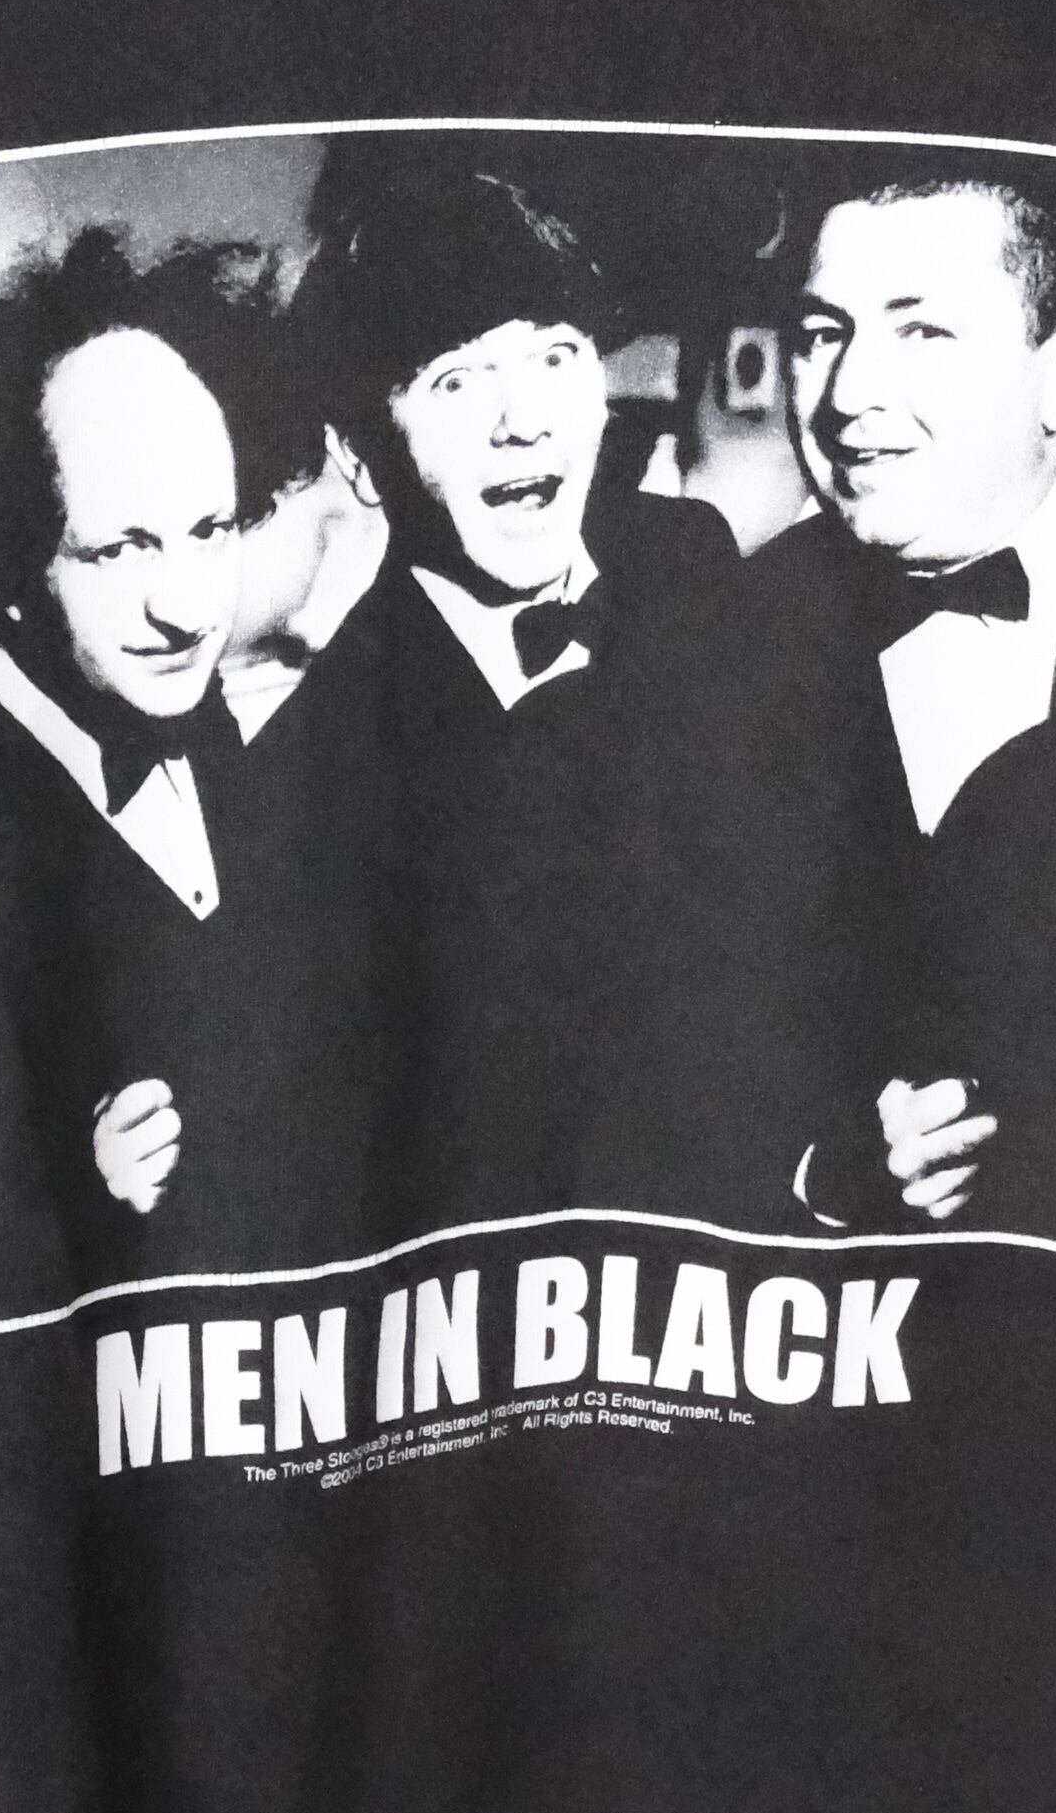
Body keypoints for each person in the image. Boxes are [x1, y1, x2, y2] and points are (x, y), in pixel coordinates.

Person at [0, 227, 322, 1319]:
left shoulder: (181, 699)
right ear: (12, 554)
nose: (188, 608)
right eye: (123, 549)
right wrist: (81, 1179)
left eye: (208, 530)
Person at [280, 146, 757, 1238]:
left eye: (555, 356)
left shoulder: (692, 561)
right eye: (456, 381)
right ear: (358, 453)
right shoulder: (326, 757)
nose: (522, 419)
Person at [744, 163, 1056, 1247]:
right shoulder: (703, 641)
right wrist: (823, 1175)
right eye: (822, 334)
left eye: (922, 332)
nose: (848, 394)